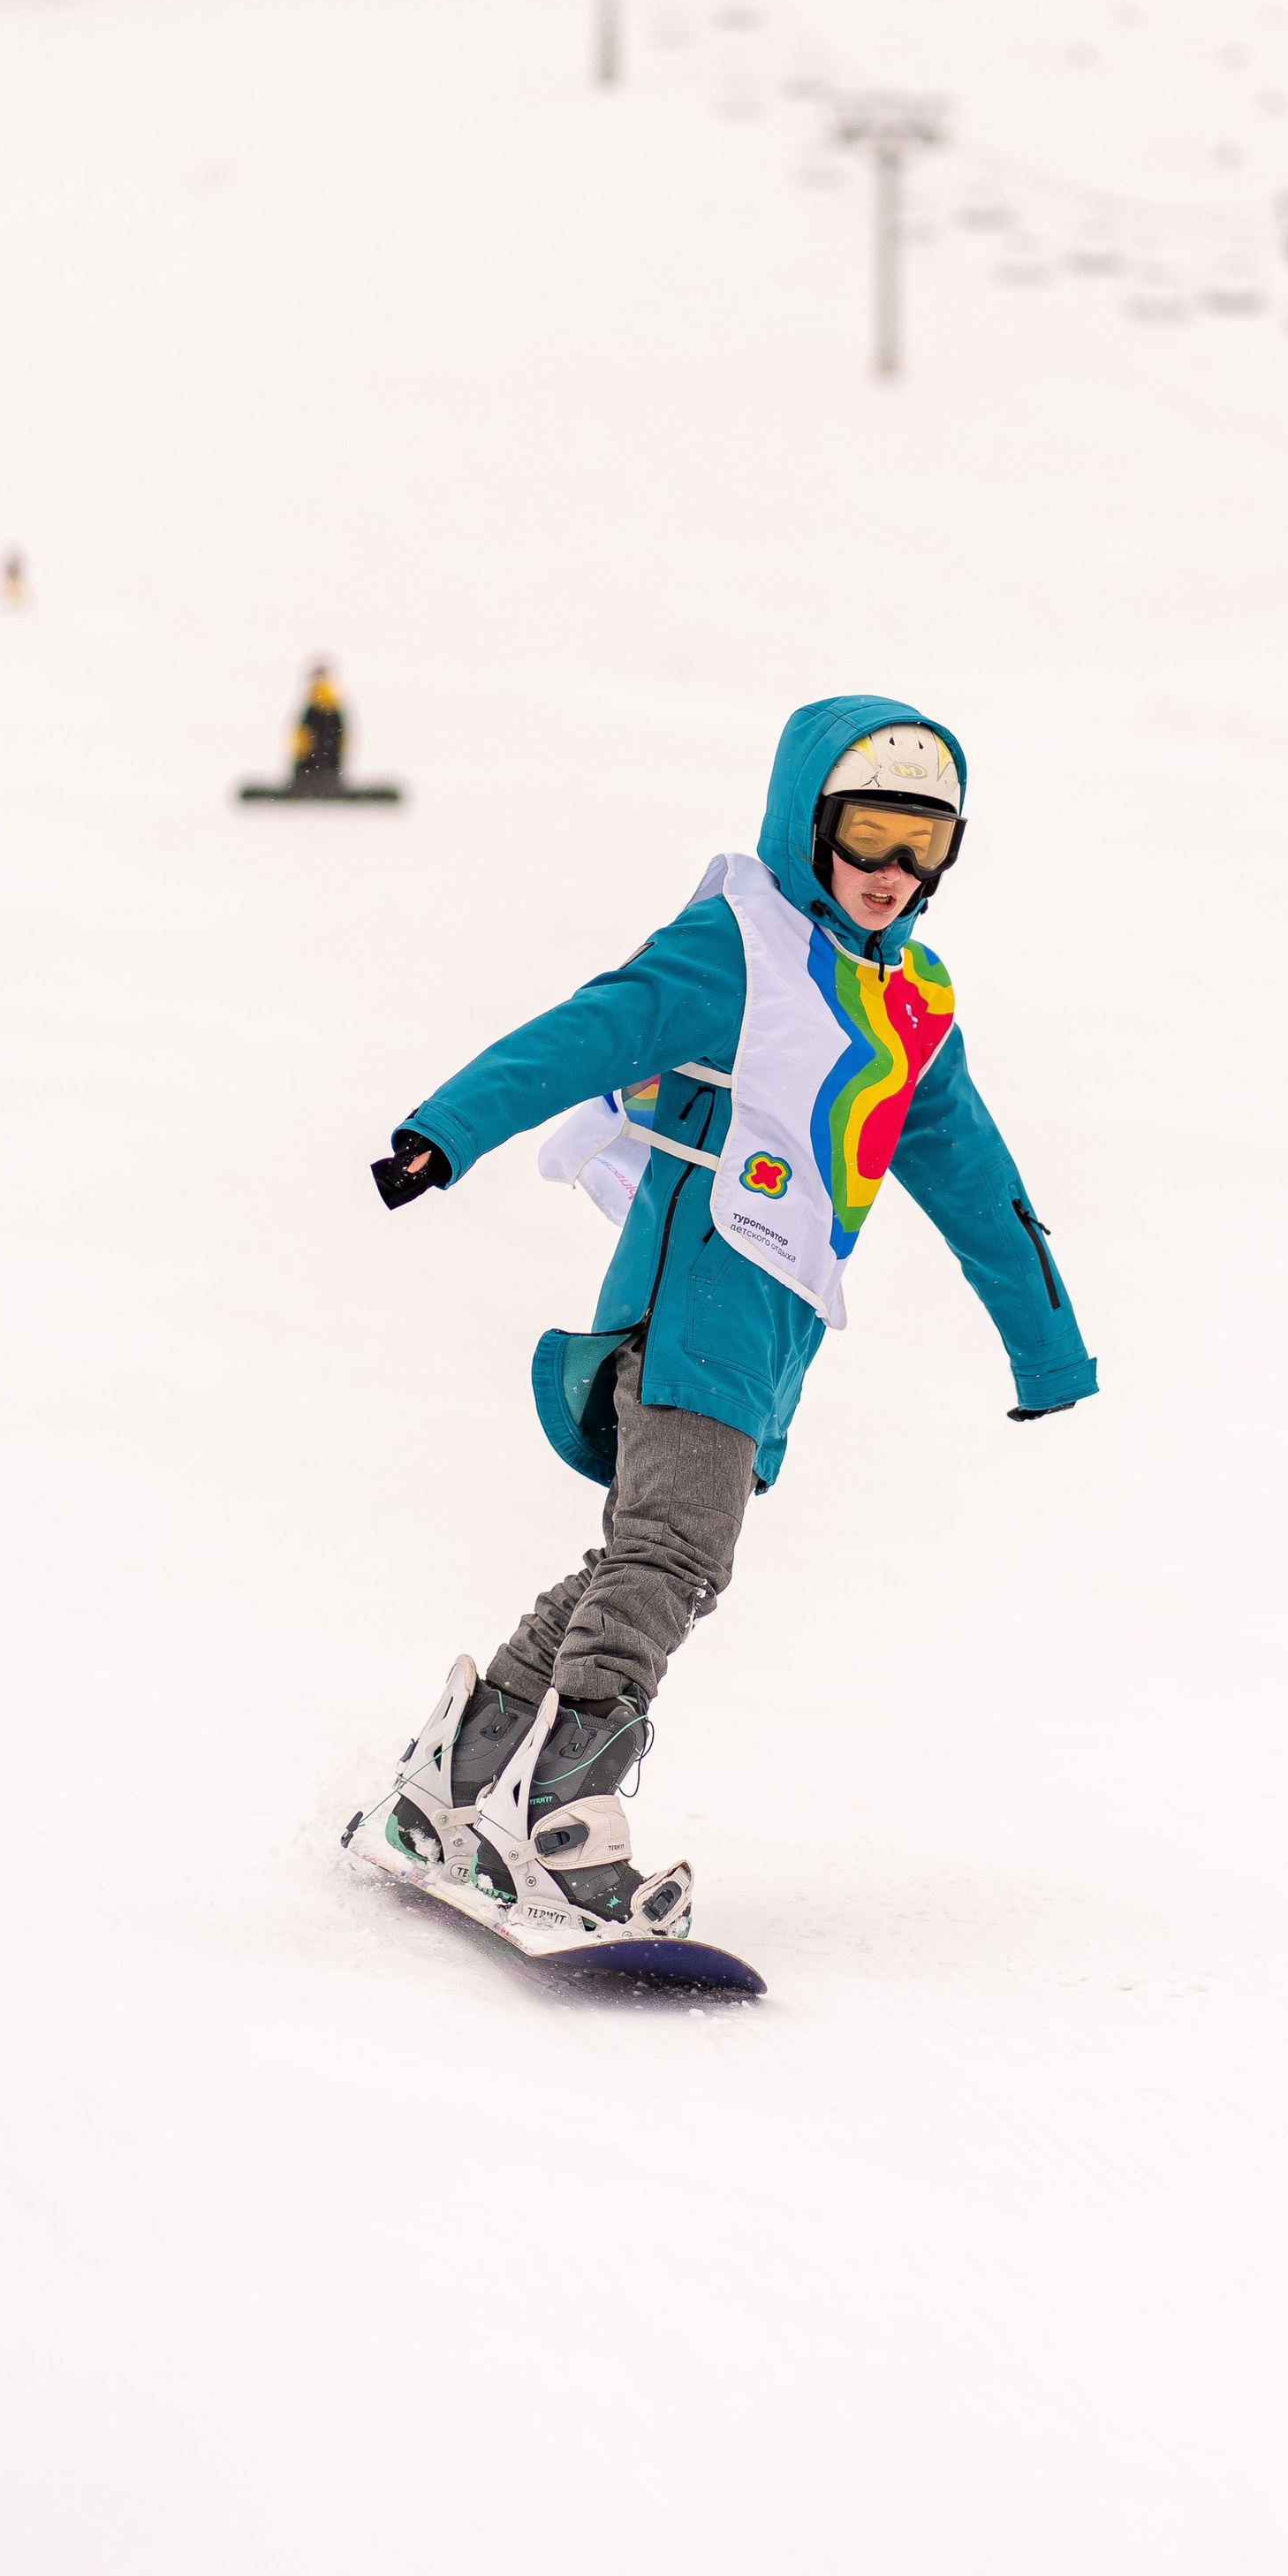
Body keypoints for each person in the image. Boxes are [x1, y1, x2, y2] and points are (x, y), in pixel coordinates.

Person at [345, 696, 1097, 1953]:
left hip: (772, 1320)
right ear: (810, 827)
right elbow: (594, 1027)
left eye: (925, 842)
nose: (891, 872)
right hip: (699, 1288)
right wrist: (448, 1130)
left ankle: (463, 1777)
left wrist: (1046, 1345)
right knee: (678, 1554)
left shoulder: (910, 1000)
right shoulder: (739, 945)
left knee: (643, 1551)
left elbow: (975, 1176)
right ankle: (563, 1813)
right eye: (867, 835)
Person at [289, 660, 345, 790]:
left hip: (313, 769)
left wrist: (300, 762)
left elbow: (302, 738)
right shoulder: (329, 705)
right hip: (326, 769)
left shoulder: (319, 706)